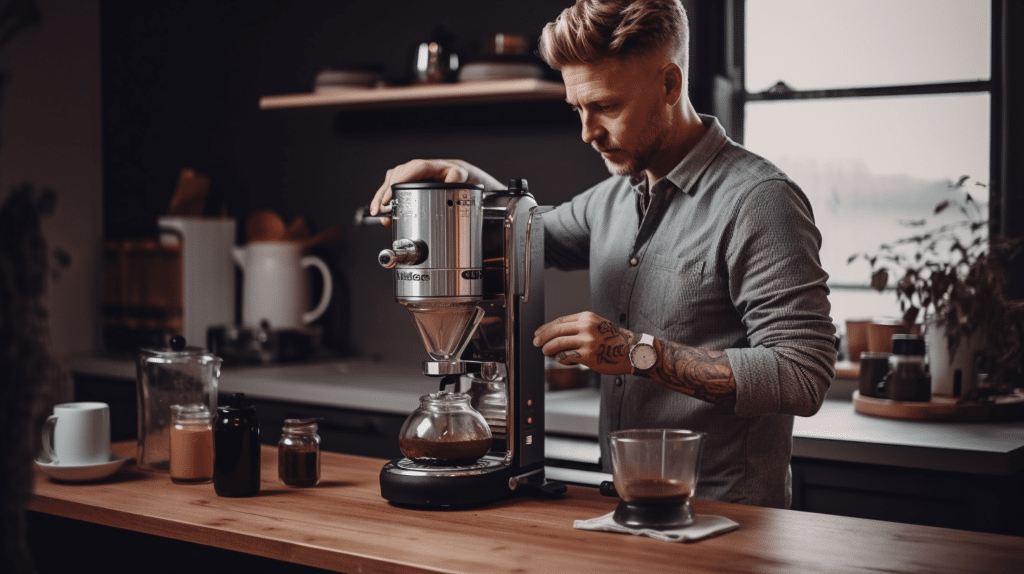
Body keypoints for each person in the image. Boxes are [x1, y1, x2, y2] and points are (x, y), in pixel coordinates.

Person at [369, 0, 836, 509]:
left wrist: (638, 352)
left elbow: (802, 373)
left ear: (669, 86)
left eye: (607, 107)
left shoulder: (759, 200)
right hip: (621, 509)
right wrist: (457, 178)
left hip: (724, 522)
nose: (588, 133)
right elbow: (524, 229)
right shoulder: (612, 199)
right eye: (578, 109)